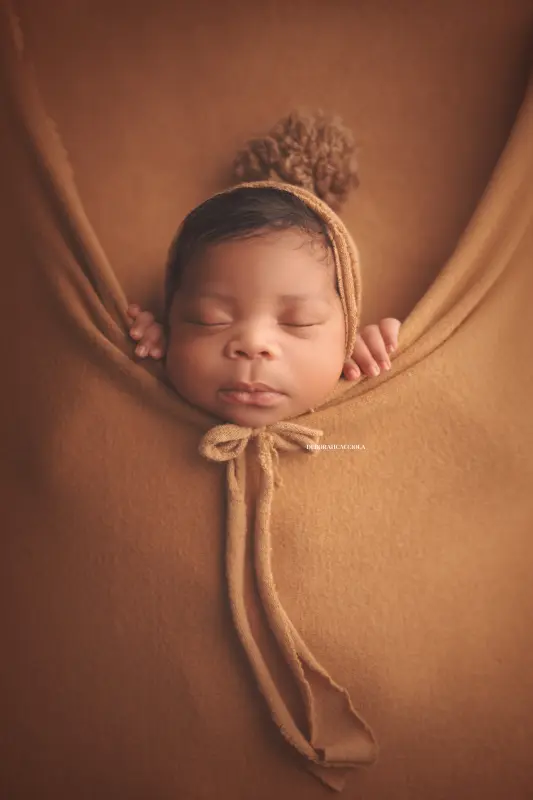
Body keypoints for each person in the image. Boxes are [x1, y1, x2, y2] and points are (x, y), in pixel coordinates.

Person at [125, 183, 401, 428]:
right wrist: (147, 353)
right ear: (171, 321)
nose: (254, 343)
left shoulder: (355, 419)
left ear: (347, 329)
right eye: (209, 320)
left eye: (299, 321)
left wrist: (378, 353)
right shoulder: (143, 398)